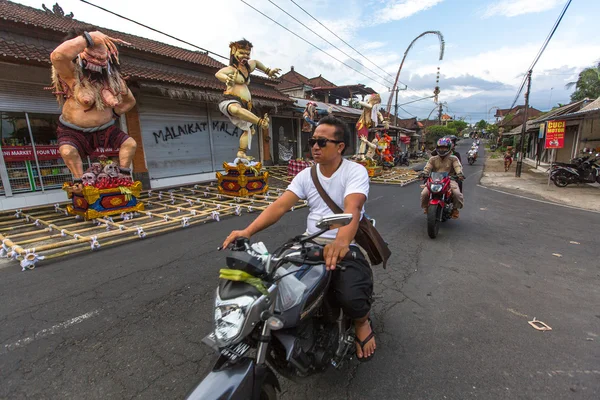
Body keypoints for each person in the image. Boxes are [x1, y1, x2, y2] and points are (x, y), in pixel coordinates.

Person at [222, 115, 376, 361]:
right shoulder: (307, 175)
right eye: (312, 141)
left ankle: (362, 322)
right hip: (311, 240)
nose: (315, 146)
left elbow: (353, 208)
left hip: (347, 240)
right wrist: (247, 231)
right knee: (274, 277)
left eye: (322, 142)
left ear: (340, 147)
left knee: (350, 294)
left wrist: (342, 241)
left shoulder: (354, 171)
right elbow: (280, 206)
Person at [50, 28, 137, 189]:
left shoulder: (113, 81)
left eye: (102, 55)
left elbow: (130, 102)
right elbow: (58, 56)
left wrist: (114, 114)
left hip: (105, 129)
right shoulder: (71, 75)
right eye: (93, 54)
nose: (98, 58)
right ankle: (79, 182)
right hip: (73, 130)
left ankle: (124, 176)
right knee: (68, 152)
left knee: (130, 144)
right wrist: (89, 38)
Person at [215, 39, 281, 160]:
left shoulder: (248, 68)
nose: (245, 56)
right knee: (235, 109)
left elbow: (255, 62)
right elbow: (218, 74)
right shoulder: (231, 69)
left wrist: (268, 71)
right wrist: (227, 79)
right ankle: (260, 122)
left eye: (247, 53)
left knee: (248, 130)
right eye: (242, 53)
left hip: (246, 105)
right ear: (234, 52)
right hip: (230, 100)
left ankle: (241, 153)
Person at [420, 137, 465, 218]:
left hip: (449, 179)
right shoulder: (432, 159)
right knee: (424, 193)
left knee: (457, 194)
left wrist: (459, 174)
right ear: (437, 148)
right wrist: (424, 173)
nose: (442, 150)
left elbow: (457, 167)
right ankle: (426, 207)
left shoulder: (453, 158)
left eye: (444, 147)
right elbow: (428, 167)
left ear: (449, 148)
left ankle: (455, 209)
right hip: (434, 179)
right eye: (440, 147)